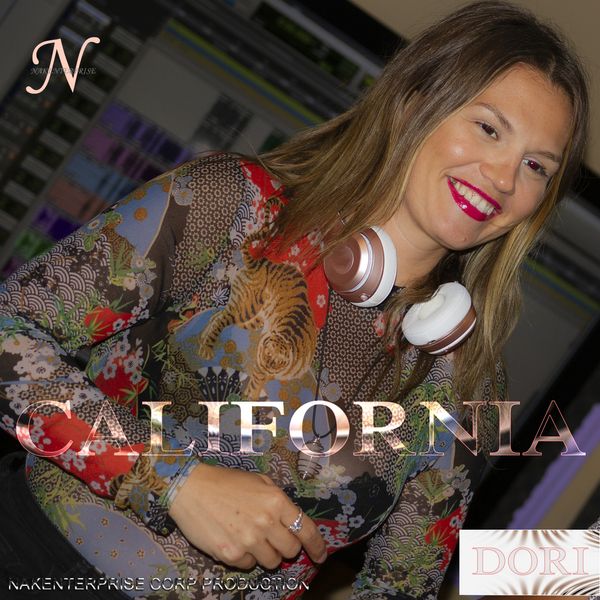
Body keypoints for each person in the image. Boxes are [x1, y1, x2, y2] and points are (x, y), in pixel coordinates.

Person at [0, 1, 589, 598]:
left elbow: (400, 586)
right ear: (414, 103)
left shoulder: (468, 380)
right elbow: (8, 332)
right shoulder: (235, 206)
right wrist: (172, 481)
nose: (505, 179)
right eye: (489, 129)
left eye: (536, 166)